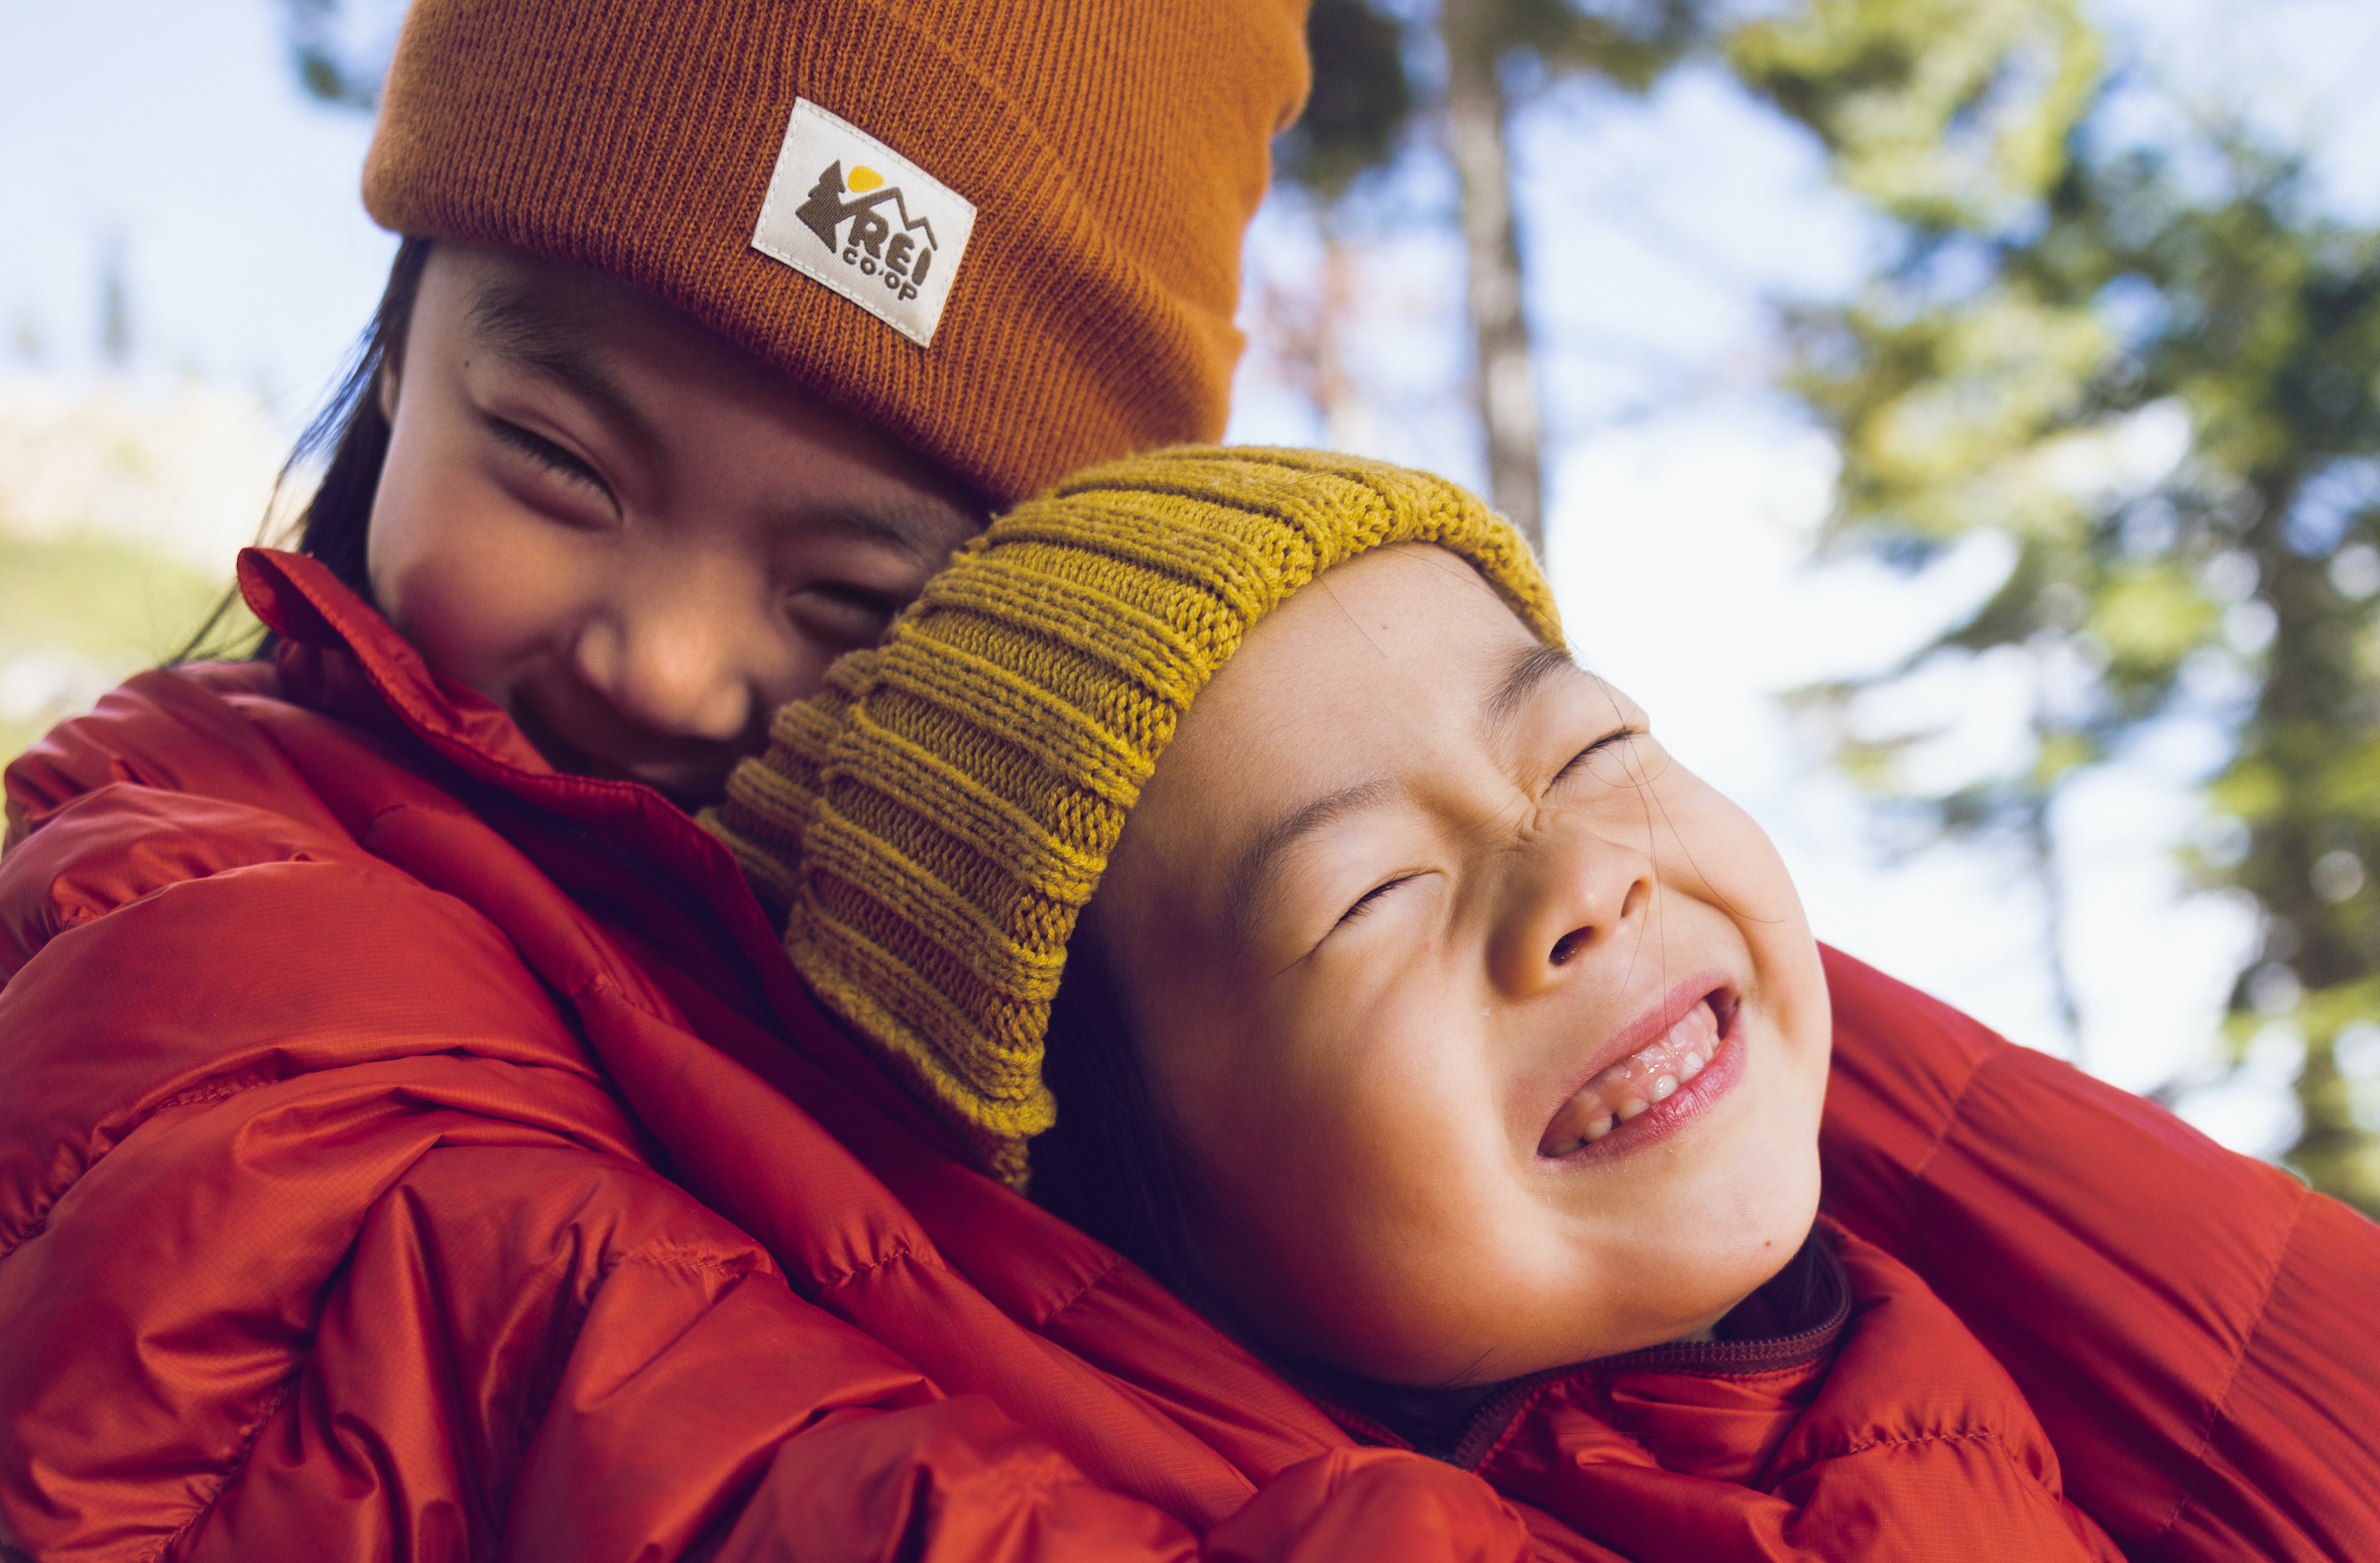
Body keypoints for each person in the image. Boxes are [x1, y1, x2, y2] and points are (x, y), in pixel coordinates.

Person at [0, 1, 1381, 1557]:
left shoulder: (1103, 1097)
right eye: (562, 461)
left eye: (854, 600)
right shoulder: (199, 915)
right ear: (396, 353)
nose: (661, 664)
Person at [712, 445, 2380, 1561]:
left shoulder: (2002, 1387)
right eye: (1364, 896)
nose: (1580, 882)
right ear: (1139, 1215)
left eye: (1588, 750)